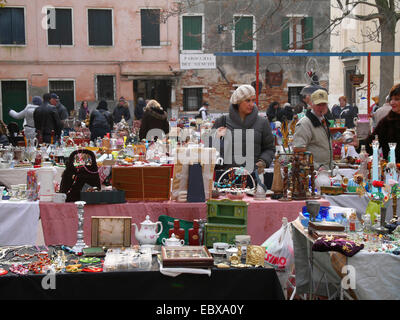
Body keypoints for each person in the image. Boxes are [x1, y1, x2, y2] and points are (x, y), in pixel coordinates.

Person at [211, 84, 275, 174]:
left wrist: (263, 162)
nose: (252, 104)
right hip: (226, 177)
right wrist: (216, 138)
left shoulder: (263, 123)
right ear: (238, 101)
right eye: (247, 100)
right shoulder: (222, 121)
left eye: (253, 100)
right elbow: (210, 150)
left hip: (253, 175)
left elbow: (269, 148)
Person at [292, 89, 333, 170]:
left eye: (323, 104)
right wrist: (317, 167)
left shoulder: (323, 120)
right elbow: (299, 153)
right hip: (312, 173)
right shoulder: (304, 123)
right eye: (318, 104)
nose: (321, 107)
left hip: (325, 172)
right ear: (311, 104)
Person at [363, 83, 400, 162]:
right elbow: (373, 142)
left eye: (396, 99)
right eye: (391, 99)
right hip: (392, 171)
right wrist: (359, 144)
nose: (392, 102)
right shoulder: (387, 121)